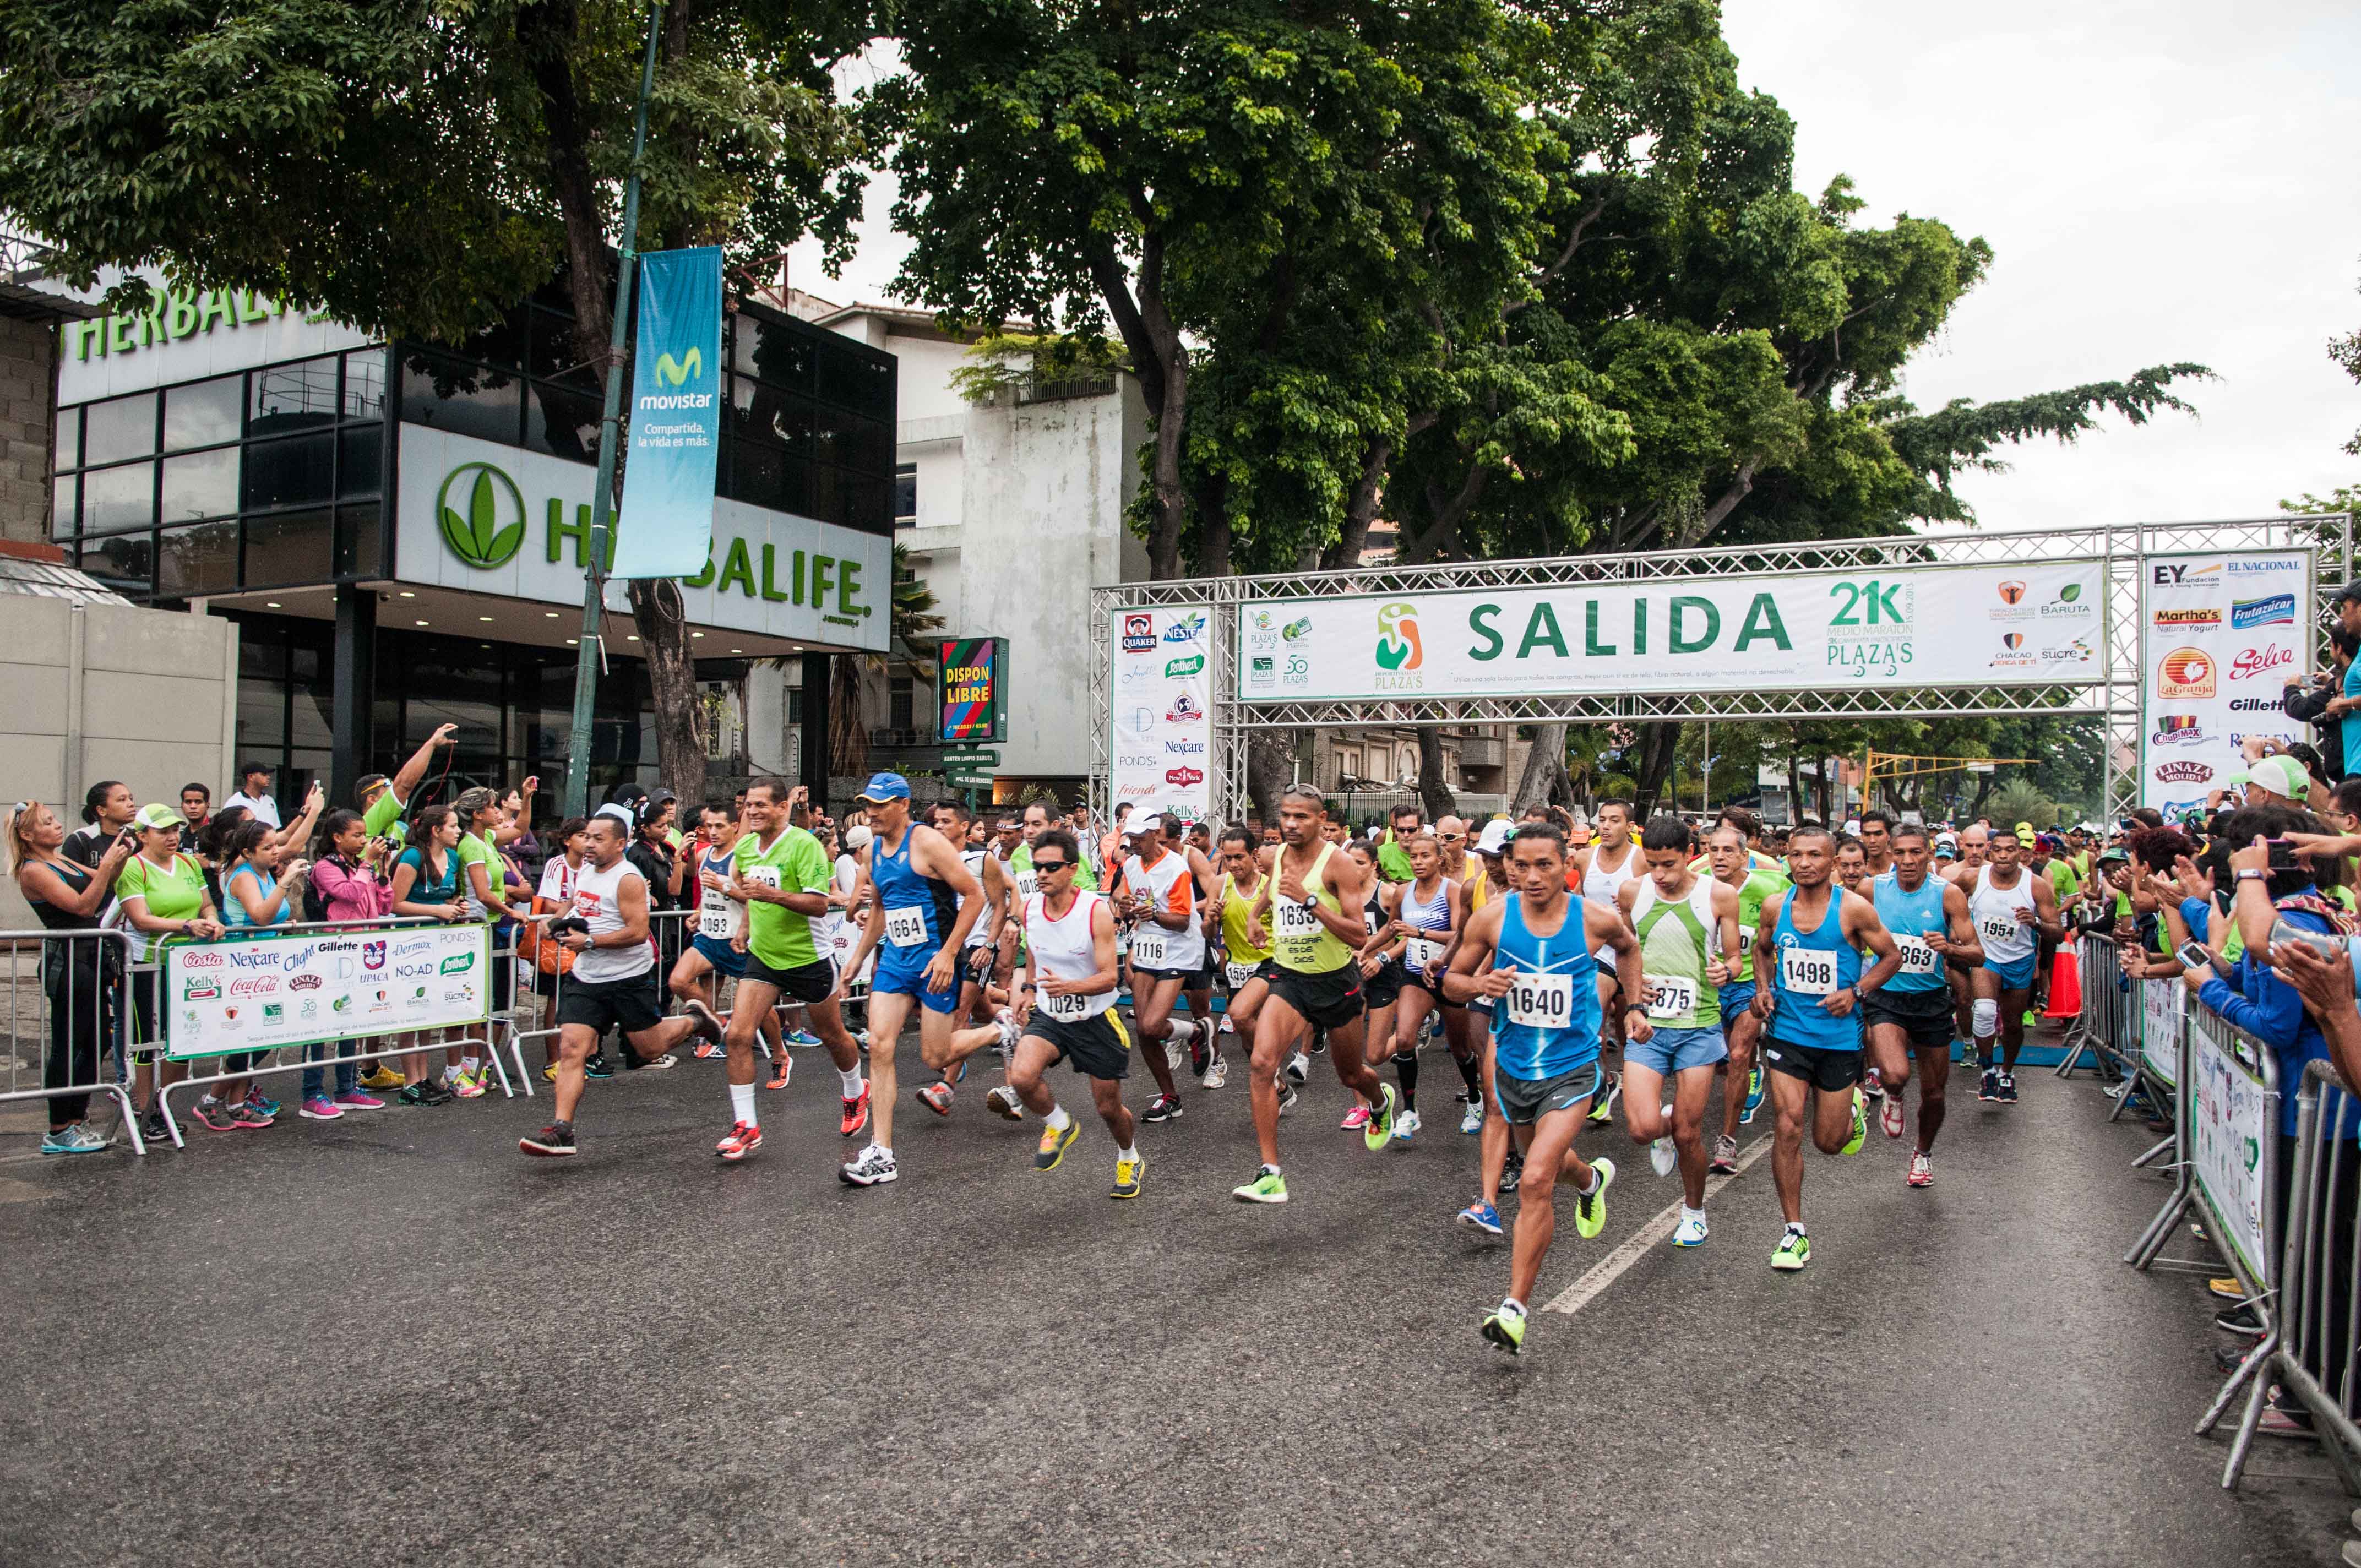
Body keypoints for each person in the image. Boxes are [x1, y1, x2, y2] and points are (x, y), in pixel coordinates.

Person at [1444, 823, 1645, 1353]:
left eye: (1544, 865)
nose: (1531, 876)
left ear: (1565, 867)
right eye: (1522, 865)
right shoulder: (1493, 918)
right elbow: (1450, 980)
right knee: (1553, 1168)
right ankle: (1590, 1181)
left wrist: (1636, 1004)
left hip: (1574, 1068)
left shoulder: (1594, 919)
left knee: (1534, 1179)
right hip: (1514, 1068)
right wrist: (1479, 985)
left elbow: (1629, 948)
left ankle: (1514, 1309)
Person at [519, 807, 721, 1157]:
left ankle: (695, 1020)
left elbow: (638, 932)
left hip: (627, 978)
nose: (589, 845)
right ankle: (562, 1129)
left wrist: (592, 942)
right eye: (586, 837)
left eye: (599, 839)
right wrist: (559, 920)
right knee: (571, 1050)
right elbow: (574, 903)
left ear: (620, 843)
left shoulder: (627, 879)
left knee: (649, 1049)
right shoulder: (585, 870)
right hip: (586, 978)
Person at [1749, 824, 1903, 1270]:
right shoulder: (1775, 907)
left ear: (1833, 862)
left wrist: (1856, 992)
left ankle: (1849, 1111)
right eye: (1796, 855)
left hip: (1839, 1039)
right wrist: (1763, 988)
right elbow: (1762, 950)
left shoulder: (1854, 909)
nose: (1804, 863)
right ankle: (1793, 1231)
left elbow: (1891, 957)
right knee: (1788, 1124)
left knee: (1829, 1143)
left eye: (1814, 855)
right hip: (1788, 1034)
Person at [1232, 788, 1397, 1203]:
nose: (1290, 824)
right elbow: (1274, 893)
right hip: (1289, 978)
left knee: (1351, 1075)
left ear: (1320, 819)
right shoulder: (1277, 855)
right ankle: (1271, 1174)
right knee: (1261, 1062)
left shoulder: (1338, 864)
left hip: (1336, 981)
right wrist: (1255, 918)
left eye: (1301, 817)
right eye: (1285, 815)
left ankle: (1379, 1101)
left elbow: (1359, 934)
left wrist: (1310, 903)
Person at [835, 774, 987, 1186]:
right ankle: (882, 1153)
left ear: (902, 804)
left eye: (880, 804)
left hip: (936, 962)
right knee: (880, 1046)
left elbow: (974, 896)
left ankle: (1000, 1030)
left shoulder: (927, 843)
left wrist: (949, 953)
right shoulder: (871, 854)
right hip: (897, 962)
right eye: (868, 803)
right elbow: (881, 911)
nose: (871, 811)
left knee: (936, 1058)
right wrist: (857, 960)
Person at [715, 780, 872, 1161]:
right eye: (748, 805)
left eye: (760, 805)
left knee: (834, 1036)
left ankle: (855, 1090)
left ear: (782, 807)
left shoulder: (804, 845)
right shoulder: (747, 847)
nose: (751, 812)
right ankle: (746, 1126)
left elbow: (818, 905)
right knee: (737, 1035)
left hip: (808, 959)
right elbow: (751, 894)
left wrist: (770, 896)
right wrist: (746, 926)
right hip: (764, 958)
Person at [1617, 815, 1741, 1247]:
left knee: (1691, 1133)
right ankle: (1663, 1125)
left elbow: (1735, 960)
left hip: (1699, 1026)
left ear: (1691, 855)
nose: (1659, 875)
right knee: (1640, 1129)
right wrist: (1633, 991)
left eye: (1668, 864)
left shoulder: (1720, 895)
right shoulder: (1633, 892)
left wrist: (1726, 970)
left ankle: (1693, 1212)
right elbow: (1624, 951)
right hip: (1649, 1025)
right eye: (1652, 864)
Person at [1004, 829, 1144, 1197]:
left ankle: (1129, 1156)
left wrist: (1071, 987)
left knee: (1108, 1109)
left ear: (1070, 869)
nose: (1042, 874)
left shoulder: (1093, 912)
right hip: (1051, 1015)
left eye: (1051, 867)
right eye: (1038, 867)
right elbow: (1035, 950)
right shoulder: (1031, 908)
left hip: (1095, 1020)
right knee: (1021, 1077)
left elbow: (1109, 978)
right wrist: (1030, 988)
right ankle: (1059, 1124)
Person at [7, 799, 133, 1153]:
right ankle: (58, 1128)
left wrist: (118, 858)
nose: (57, 826)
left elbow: (106, 886)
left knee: (98, 1041)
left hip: (92, 956)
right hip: (68, 961)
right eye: (47, 823)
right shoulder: (32, 869)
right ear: (28, 834)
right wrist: (107, 864)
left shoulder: (59, 858)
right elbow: (83, 906)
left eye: (55, 819)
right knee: (69, 1043)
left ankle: (77, 1119)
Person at [1864, 824, 1981, 1186]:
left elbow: (1978, 954)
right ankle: (1894, 1093)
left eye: (1916, 852)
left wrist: (1951, 949)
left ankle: (1923, 1154)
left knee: (1934, 1093)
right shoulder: (1873, 889)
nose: (1907, 860)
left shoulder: (1948, 895)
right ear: (1890, 853)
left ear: (1929, 854)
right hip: (1887, 999)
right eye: (1900, 853)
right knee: (1896, 1074)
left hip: (1931, 1002)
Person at [113, 802, 226, 1141]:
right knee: (147, 1040)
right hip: (147, 963)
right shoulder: (134, 867)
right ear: (143, 835)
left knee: (182, 1039)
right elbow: (140, 918)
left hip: (186, 965)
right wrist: (186, 924)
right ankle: (144, 1107)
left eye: (175, 830)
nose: (172, 837)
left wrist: (213, 921)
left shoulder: (188, 862)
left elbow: (207, 903)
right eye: (163, 831)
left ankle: (164, 1104)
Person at [195, 818, 313, 1128]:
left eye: (276, 845)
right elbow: (260, 916)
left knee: (262, 1034)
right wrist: (287, 880)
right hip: (245, 965)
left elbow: (272, 915)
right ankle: (212, 1100)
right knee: (252, 1035)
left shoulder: (262, 873)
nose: (276, 852)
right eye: (268, 848)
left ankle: (235, 1102)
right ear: (247, 852)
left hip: (268, 962)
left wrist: (283, 925)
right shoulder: (245, 875)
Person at [1113, 814, 1215, 1123]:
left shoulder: (1176, 868)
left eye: (1139, 837)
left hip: (1178, 950)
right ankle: (1170, 1097)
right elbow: (1120, 893)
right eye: (1129, 838)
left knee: (1153, 1026)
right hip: (1147, 947)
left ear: (1155, 833)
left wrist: (1154, 914)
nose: (1133, 843)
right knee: (1143, 1031)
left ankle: (1197, 1031)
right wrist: (1126, 904)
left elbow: (1183, 920)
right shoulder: (1132, 864)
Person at [1949, 826, 2060, 1103]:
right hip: (1986, 958)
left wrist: (2034, 923)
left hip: (2019, 960)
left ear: (2020, 854)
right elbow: (1947, 903)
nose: (2002, 856)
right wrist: (1954, 931)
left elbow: (2057, 931)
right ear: (1990, 850)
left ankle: (2007, 1071)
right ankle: (1987, 1069)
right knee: (1985, 1011)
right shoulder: (1973, 878)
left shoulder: (2035, 885)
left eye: (2010, 850)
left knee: (2012, 1025)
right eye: (1997, 850)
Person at [670, 801, 780, 1068]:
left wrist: (724, 887)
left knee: (761, 1006)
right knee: (678, 981)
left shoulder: (742, 860)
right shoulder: (705, 855)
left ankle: (779, 1051)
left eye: (720, 826)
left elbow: (755, 899)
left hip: (737, 941)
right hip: (709, 938)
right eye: (709, 826)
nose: (713, 831)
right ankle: (714, 1022)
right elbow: (707, 896)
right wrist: (699, 912)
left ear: (734, 827)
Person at [1377, 831, 1471, 1139]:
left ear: (1440, 859)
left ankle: (1475, 1097)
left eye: (1425, 856)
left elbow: (1460, 934)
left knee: (1461, 1048)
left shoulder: (1452, 891)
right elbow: (1391, 929)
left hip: (1449, 976)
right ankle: (1409, 1111)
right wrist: (1366, 950)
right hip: (1416, 975)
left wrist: (1420, 933)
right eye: (1414, 857)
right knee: (1404, 1039)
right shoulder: (1403, 892)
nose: (1418, 862)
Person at [1703, 824, 1785, 1174]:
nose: (1720, 857)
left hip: (1750, 984)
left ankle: (1727, 1140)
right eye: (1714, 850)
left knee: (1738, 1053)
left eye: (1728, 851)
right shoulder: (1697, 886)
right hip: (1707, 985)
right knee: (1722, 1060)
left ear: (1743, 855)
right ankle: (1751, 1072)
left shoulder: (1772, 887)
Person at [302, 808, 393, 1115]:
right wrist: (368, 863)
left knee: (350, 1021)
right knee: (320, 1024)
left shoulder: (361, 866)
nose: (363, 840)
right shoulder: (326, 867)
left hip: (361, 951)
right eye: (356, 835)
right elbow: (350, 894)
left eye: (364, 835)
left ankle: (346, 1088)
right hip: (331, 949)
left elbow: (383, 904)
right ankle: (312, 1094)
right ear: (337, 837)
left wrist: (382, 874)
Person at [387, 804, 474, 1106]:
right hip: (410, 945)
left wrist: (455, 905)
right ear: (436, 830)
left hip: (440, 944)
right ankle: (411, 1082)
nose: (458, 831)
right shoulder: (413, 857)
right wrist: (437, 910)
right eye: (452, 826)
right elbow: (394, 903)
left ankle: (423, 1078)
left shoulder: (451, 857)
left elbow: (447, 895)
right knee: (412, 1013)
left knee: (428, 1013)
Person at [1571, 799, 1641, 1116]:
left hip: (1632, 951)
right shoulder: (1586, 858)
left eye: (1615, 820)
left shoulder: (1641, 861)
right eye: (1603, 820)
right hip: (1600, 951)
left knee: (1630, 1028)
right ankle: (1604, 1080)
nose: (1606, 826)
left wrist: (1636, 901)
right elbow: (1579, 899)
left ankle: (1633, 1080)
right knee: (1594, 1017)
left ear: (1629, 827)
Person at [356, 722, 461, 846]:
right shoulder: (368, 825)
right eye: (387, 785)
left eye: (392, 782)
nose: (392, 787)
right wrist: (431, 744)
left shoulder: (401, 828)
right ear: (372, 799)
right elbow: (404, 785)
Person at [62, 779, 136, 869]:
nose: (131, 804)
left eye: (131, 799)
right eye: (122, 800)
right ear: (101, 810)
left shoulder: (139, 836)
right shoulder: (81, 840)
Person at [221, 760, 281, 830]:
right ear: (251, 777)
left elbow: (276, 828)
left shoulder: (270, 801)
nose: (268, 777)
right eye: (263, 774)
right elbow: (225, 828)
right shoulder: (236, 801)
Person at [1857, 809, 1896, 880]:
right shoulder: (1855, 873)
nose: (1872, 840)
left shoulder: (1901, 869)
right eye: (1867, 834)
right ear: (1862, 836)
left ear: (1889, 835)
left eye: (1878, 834)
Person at [177, 783, 213, 854]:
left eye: (198, 802)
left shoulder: (218, 832)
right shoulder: (179, 836)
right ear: (182, 806)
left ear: (207, 805)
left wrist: (212, 864)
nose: (193, 806)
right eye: (188, 802)